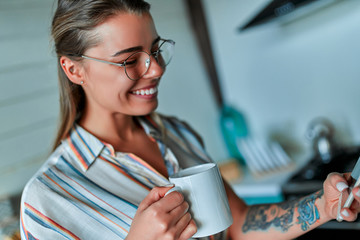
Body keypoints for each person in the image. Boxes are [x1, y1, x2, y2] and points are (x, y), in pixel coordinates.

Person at [20, 0, 360, 239]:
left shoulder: (177, 133)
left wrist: (324, 205)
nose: (156, 69)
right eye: (129, 60)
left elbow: (240, 225)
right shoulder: (48, 198)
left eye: (155, 49)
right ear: (73, 69)